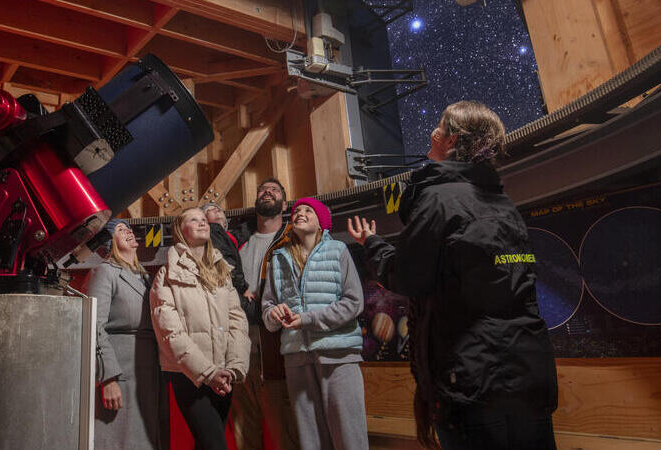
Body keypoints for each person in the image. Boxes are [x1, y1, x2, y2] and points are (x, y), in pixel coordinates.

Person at [348, 101, 558, 450]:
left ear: (451, 139)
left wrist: (372, 243)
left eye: (440, 126)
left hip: (472, 379)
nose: (432, 132)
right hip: (527, 373)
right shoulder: (503, 203)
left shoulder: (439, 199)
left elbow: (406, 277)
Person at [262, 197, 368, 450]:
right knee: (311, 441)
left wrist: (308, 319)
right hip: (297, 357)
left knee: (349, 437)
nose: (300, 213)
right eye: (297, 210)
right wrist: (273, 314)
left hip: (338, 355)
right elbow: (267, 307)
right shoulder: (278, 258)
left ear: (321, 222)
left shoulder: (338, 251)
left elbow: (354, 302)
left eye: (308, 210)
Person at [150, 208, 251, 450]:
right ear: (180, 230)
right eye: (193, 219)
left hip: (224, 375)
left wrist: (234, 368)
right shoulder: (166, 275)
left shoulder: (222, 271)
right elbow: (170, 332)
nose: (202, 222)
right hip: (189, 376)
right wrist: (207, 373)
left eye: (204, 219)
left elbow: (237, 321)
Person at [232, 178, 301, 450]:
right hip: (241, 346)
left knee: (285, 429)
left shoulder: (292, 239)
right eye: (262, 190)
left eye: (274, 190)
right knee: (244, 430)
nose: (267, 192)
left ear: (284, 205)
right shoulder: (239, 244)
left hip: (277, 347)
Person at [85, 220, 166, 450]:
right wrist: (108, 378)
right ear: (109, 242)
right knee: (120, 440)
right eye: (120, 230)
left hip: (149, 371)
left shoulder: (146, 277)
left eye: (128, 228)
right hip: (122, 372)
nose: (129, 231)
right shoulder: (105, 272)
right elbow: (94, 326)